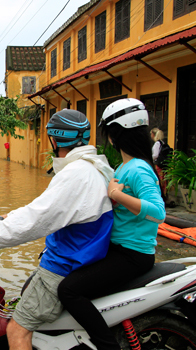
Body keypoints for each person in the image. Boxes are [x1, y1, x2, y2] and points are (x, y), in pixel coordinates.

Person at [0, 110, 114, 350]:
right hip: (84, 258)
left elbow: (33, 222)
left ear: (55, 140)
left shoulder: (75, 174)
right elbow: (42, 209)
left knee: (16, 330)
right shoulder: (94, 168)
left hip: (63, 266)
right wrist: (9, 216)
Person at [58, 98, 165, 350]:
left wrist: (117, 196)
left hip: (132, 254)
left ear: (115, 136)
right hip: (120, 249)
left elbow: (158, 212)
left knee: (68, 291)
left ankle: (107, 346)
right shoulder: (125, 166)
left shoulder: (137, 169)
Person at [151, 127, 167, 196]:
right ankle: (164, 193)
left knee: (158, 180)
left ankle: (159, 194)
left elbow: (155, 155)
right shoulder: (163, 143)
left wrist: (150, 158)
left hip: (158, 164)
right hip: (164, 164)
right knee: (163, 180)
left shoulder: (157, 144)